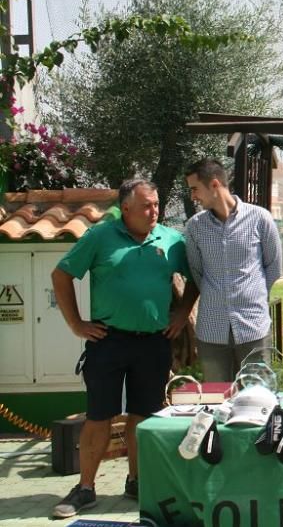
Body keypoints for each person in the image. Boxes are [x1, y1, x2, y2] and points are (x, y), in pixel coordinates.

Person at [50, 180, 193, 519]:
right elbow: (61, 275)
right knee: (99, 416)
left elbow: (196, 279)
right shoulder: (100, 237)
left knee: (143, 416)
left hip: (153, 344)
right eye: (147, 205)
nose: (154, 211)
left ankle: (137, 481)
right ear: (126, 208)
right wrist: (76, 323)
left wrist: (183, 312)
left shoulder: (172, 240)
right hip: (107, 341)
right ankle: (86, 488)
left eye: (157, 204)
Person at [180, 158, 283, 382]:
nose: (193, 196)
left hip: (253, 327)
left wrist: (251, 295)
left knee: (257, 397)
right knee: (216, 400)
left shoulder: (260, 219)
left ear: (215, 185)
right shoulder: (195, 227)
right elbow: (197, 272)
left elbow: (273, 267)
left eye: (195, 189)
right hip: (211, 332)